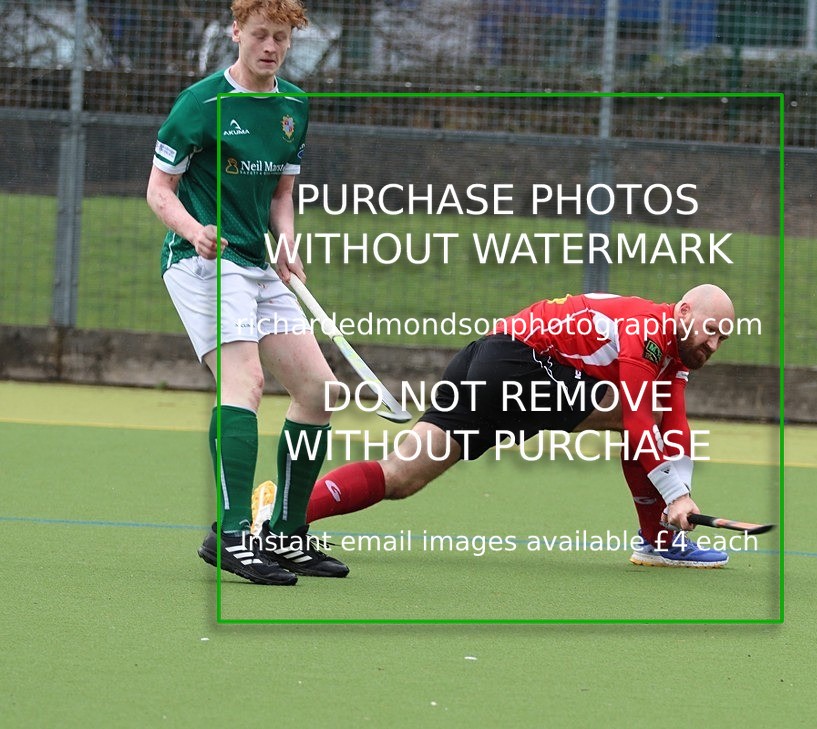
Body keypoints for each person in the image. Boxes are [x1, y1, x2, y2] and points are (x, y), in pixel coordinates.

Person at [298, 284, 737, 569]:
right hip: (519, 364)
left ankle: (282, 516)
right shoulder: (650, 331)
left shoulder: (678, 353)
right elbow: (644, 421)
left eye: (724, 338)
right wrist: (675, 495)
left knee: (400, 476)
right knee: (636, 414)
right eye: (711, 330)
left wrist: (685, 500)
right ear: (683, 312)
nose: (714, 345)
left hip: (486, 357)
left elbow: (675, 425)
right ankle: (656, 541)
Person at [147, 0, 347, 586]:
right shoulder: (201, 103)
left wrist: (287, 243)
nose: (271, 47)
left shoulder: (294, 106)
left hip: (259, 260)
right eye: (260, 35)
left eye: (281, 39)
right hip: (203, 261)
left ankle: (285, 534)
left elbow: (282, 196)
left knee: (318, 389)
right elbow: (160, 190)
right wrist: (193, 230)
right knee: (247, 382)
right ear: (236, 32)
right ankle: (231, 535)